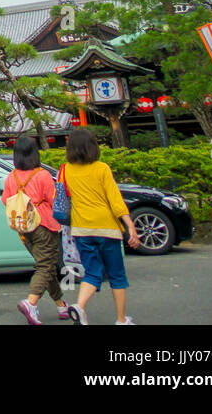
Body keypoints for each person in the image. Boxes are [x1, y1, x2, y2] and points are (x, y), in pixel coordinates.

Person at [62, 128, 140, 325]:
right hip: (107, 228)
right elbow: (115, 200)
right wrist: (130, 225)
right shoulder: (102, 168)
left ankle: (79, 306)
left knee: (92, 272)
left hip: (81, 230)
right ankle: (122, 320)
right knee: (116, 275)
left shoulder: (66, 170)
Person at [2, 136, 69, 324]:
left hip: (23, 228)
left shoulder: (11, 176)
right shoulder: (42, 175)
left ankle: (61, 305)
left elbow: (5, 200)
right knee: (45, 266)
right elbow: (53, 200)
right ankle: (31, 303)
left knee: (45, 266)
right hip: (44, 225)